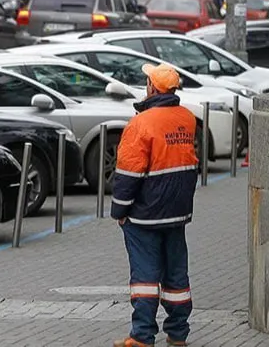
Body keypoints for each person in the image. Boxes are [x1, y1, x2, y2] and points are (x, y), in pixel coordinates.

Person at [112, 63, 198, 347]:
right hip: (177, 212)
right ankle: (178, 334)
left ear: (152, 87)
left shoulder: (141, 124)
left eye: (147, 80)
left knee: (145, 277)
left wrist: (120, 211)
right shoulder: (187, 118)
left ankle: (142, 336)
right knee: (176, 274)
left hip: (145, 215)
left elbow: (128, 174)